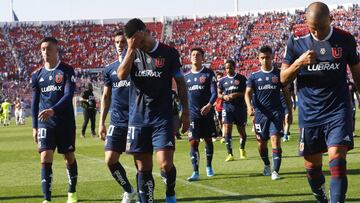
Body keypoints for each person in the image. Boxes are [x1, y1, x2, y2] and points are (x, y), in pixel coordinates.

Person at [281, 2, 360, 202]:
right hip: (309, 112)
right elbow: (283, 79)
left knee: (337, 161)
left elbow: (357, 74)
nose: (316, 32)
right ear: (307, 22)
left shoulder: (345, 39)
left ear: (330, 19)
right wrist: (299, 62)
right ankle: (320, 195)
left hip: (338, 109)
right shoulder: (296, 41)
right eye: (312, 27)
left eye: (321, 28)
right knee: (312, 167)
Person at [117, 18, 189, 203]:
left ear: (145, 31)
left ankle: (170, 191)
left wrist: (185, 111)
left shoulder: (169, 53)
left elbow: (180, 82)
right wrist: (131, 49)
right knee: (144, 168)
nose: (135, 42)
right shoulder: (131, 52)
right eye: (130, 40)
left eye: (136, 38)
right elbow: (121, 75)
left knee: (165, 164)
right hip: (138, 119)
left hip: (162, 118)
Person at [31, 37, 78, 203]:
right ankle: (47, 199)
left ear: (56, 50)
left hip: (65, 122)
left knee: (69, 157)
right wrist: (35, 126)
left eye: (49, 49)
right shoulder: (37, 75)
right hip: (45, 122)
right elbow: (35, 101)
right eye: (43, 49)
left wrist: (53, 110)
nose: (45, 52)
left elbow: (68, 95)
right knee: (45, 157)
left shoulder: (66, 70)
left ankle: (72, 191)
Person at [245, 46, 292, 180]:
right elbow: (247, 93)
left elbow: (286, 93)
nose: (265, 60)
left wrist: (289, 111)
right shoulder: (254, 76)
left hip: (276, 113)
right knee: (261, 144)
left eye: (267, 57)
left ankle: (275, 171)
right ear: (259, 59)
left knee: (275, 140)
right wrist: (249, 106)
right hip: (260, 115)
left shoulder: (279, 74)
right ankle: (267, 164)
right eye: (262, 58)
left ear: (272, 57)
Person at [98, 31, 135, 203]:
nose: (119, 45)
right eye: (116, 42)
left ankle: (143, 192)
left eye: (122, 42)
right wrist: (101, 123)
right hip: (117, 120)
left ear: (128, 43)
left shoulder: (137, 65)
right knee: (110, 159)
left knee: (139, 160)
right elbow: (106, 97)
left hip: (137, 119)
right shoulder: (109, 69)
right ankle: (129, 190)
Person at [184, 47, 217, 181]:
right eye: (193, 54)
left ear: (203, 58)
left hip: (207, 113)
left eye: (198, 55)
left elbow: (214, 92)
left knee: (208, 140)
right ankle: (195, 171)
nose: (195, 56)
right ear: (190, 57)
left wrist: (209, 105)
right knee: (193, 142)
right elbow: (183, 97)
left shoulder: (209, 74)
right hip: (193, 115)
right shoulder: (185, 77)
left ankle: (209, 166)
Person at [218, 60, 248, 161]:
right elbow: (219, 93)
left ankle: (242, 149)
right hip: (227, 107)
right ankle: (230, 154)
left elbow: (246, 93)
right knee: (227, 129)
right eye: (226, 68)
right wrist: (224, 96)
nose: (228, 69)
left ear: (234, 67)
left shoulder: (241, 78)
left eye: (230, 67)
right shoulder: (222, 81)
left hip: (239, 108)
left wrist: (236, 94)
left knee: (242, 132)